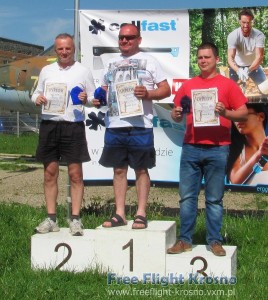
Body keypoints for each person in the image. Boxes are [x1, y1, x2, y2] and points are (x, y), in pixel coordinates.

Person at [167, 42, 248, 256]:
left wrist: (226, 114)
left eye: (207, 57)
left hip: (218, 148)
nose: (203, 61)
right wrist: (175, 115)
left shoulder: (228, 85)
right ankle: (185, 240)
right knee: (187, 198)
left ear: (217, 59)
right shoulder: (188, 86)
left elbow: (243, 113)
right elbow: (178, 113)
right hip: (191, 147)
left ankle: (214, 241)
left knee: (214, 199)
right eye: (200, 57)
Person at [93, 24, 171, 229]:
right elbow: (103, 91)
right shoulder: (110, 63)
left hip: (140, 125)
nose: (125, 41)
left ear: (139, 39)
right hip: (115, 124)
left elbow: (166, 89)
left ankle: (141, 212)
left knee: (141, 169)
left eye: (129, 37)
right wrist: (98, 99)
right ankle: (119, 213)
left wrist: (148, 94)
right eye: (121, 38)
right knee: (118, 169)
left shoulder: (151, 62)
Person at [31, 33, 95, 236]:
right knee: (49, 173)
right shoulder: (46, 70)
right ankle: (51, 218)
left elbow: (94, 98)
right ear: (56, 50)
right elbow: (35, 92)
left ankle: (75, 219)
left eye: (68, 48)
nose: (64, 52)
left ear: (73, 49)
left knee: (76, 175)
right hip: (50, 124)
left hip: (73, 126)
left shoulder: (83, 71)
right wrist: (37, 98)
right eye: (60, 48)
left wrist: (87, 99)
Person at [227, 103, 268, 185]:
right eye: (235, 116)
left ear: (261, 116)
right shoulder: (236, 150)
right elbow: (235, 181)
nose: (238, 119)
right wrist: (258, 155)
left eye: (243, 114)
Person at [227, 8, 267, 90]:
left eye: (248, 22)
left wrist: (248, 70)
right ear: (239, 21)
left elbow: (259, 57)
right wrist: (238, 70)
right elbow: (230, 58)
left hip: (254, 66)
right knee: (230, 90)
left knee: (265, 88)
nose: (246, 25)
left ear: (252, 22)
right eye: (243, 22)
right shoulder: (233, 35)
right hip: (236, 66)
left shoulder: (259, 35)